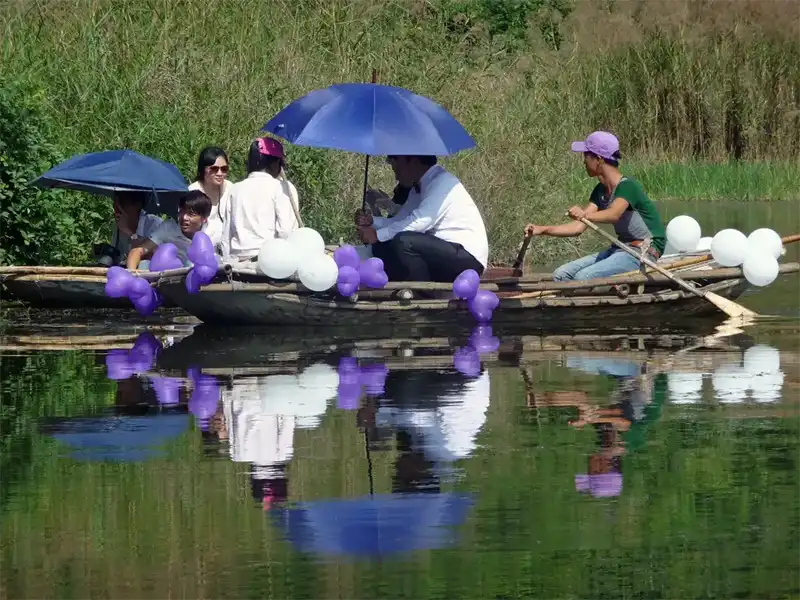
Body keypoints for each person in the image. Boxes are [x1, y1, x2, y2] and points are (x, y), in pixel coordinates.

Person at [524, 131, 666, 281]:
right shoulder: (600, 191)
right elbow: (578, 227)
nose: (584, 162)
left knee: (583, 277)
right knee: (561, 275)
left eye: (586, 156)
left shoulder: (628, 186)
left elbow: (613, 214)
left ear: (598, 159)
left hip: (643, 251)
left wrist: (584, 215)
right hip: (621, 249)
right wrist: (542, 230)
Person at [354, 155, 488, 282]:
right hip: (438, 253)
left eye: (395, 160)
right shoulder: (417, 189)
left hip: (466, 258)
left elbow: (419, 222)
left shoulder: (443, 182)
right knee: (381, 247)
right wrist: (372, 222)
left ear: (413, 161)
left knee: (404, 242)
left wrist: (377, 235)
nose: (394, 167)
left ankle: (423, 293)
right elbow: (400, 221)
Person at [222, 137, 301, 263]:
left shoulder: (235, 189)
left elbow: (226, 235)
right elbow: (286, 232)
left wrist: (227, 263)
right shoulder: (282, 188)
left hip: (238, 264)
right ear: (275, 163)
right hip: (269, 263)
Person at [125, 189, 213, 270]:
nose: (184, 217)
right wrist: (132, 274)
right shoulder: (169, 227)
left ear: (204, 218)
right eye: (181, 211)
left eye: (191, 214)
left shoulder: (211, 234)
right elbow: (137, 251)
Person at [97, 191, 163, 266]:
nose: (118, 209)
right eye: (115, 205)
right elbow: (116, 256)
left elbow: (151, 257)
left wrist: (130, 233)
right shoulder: (119, 226)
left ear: (138, 205)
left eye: (122, 204)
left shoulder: (154, 224)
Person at [188, 147, 232, 252]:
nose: (220, 173)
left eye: (224, 169)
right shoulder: (192, 191)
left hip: (227, 247)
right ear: (203, 169)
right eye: (214, 169)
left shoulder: (230, 188)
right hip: (199, 248)